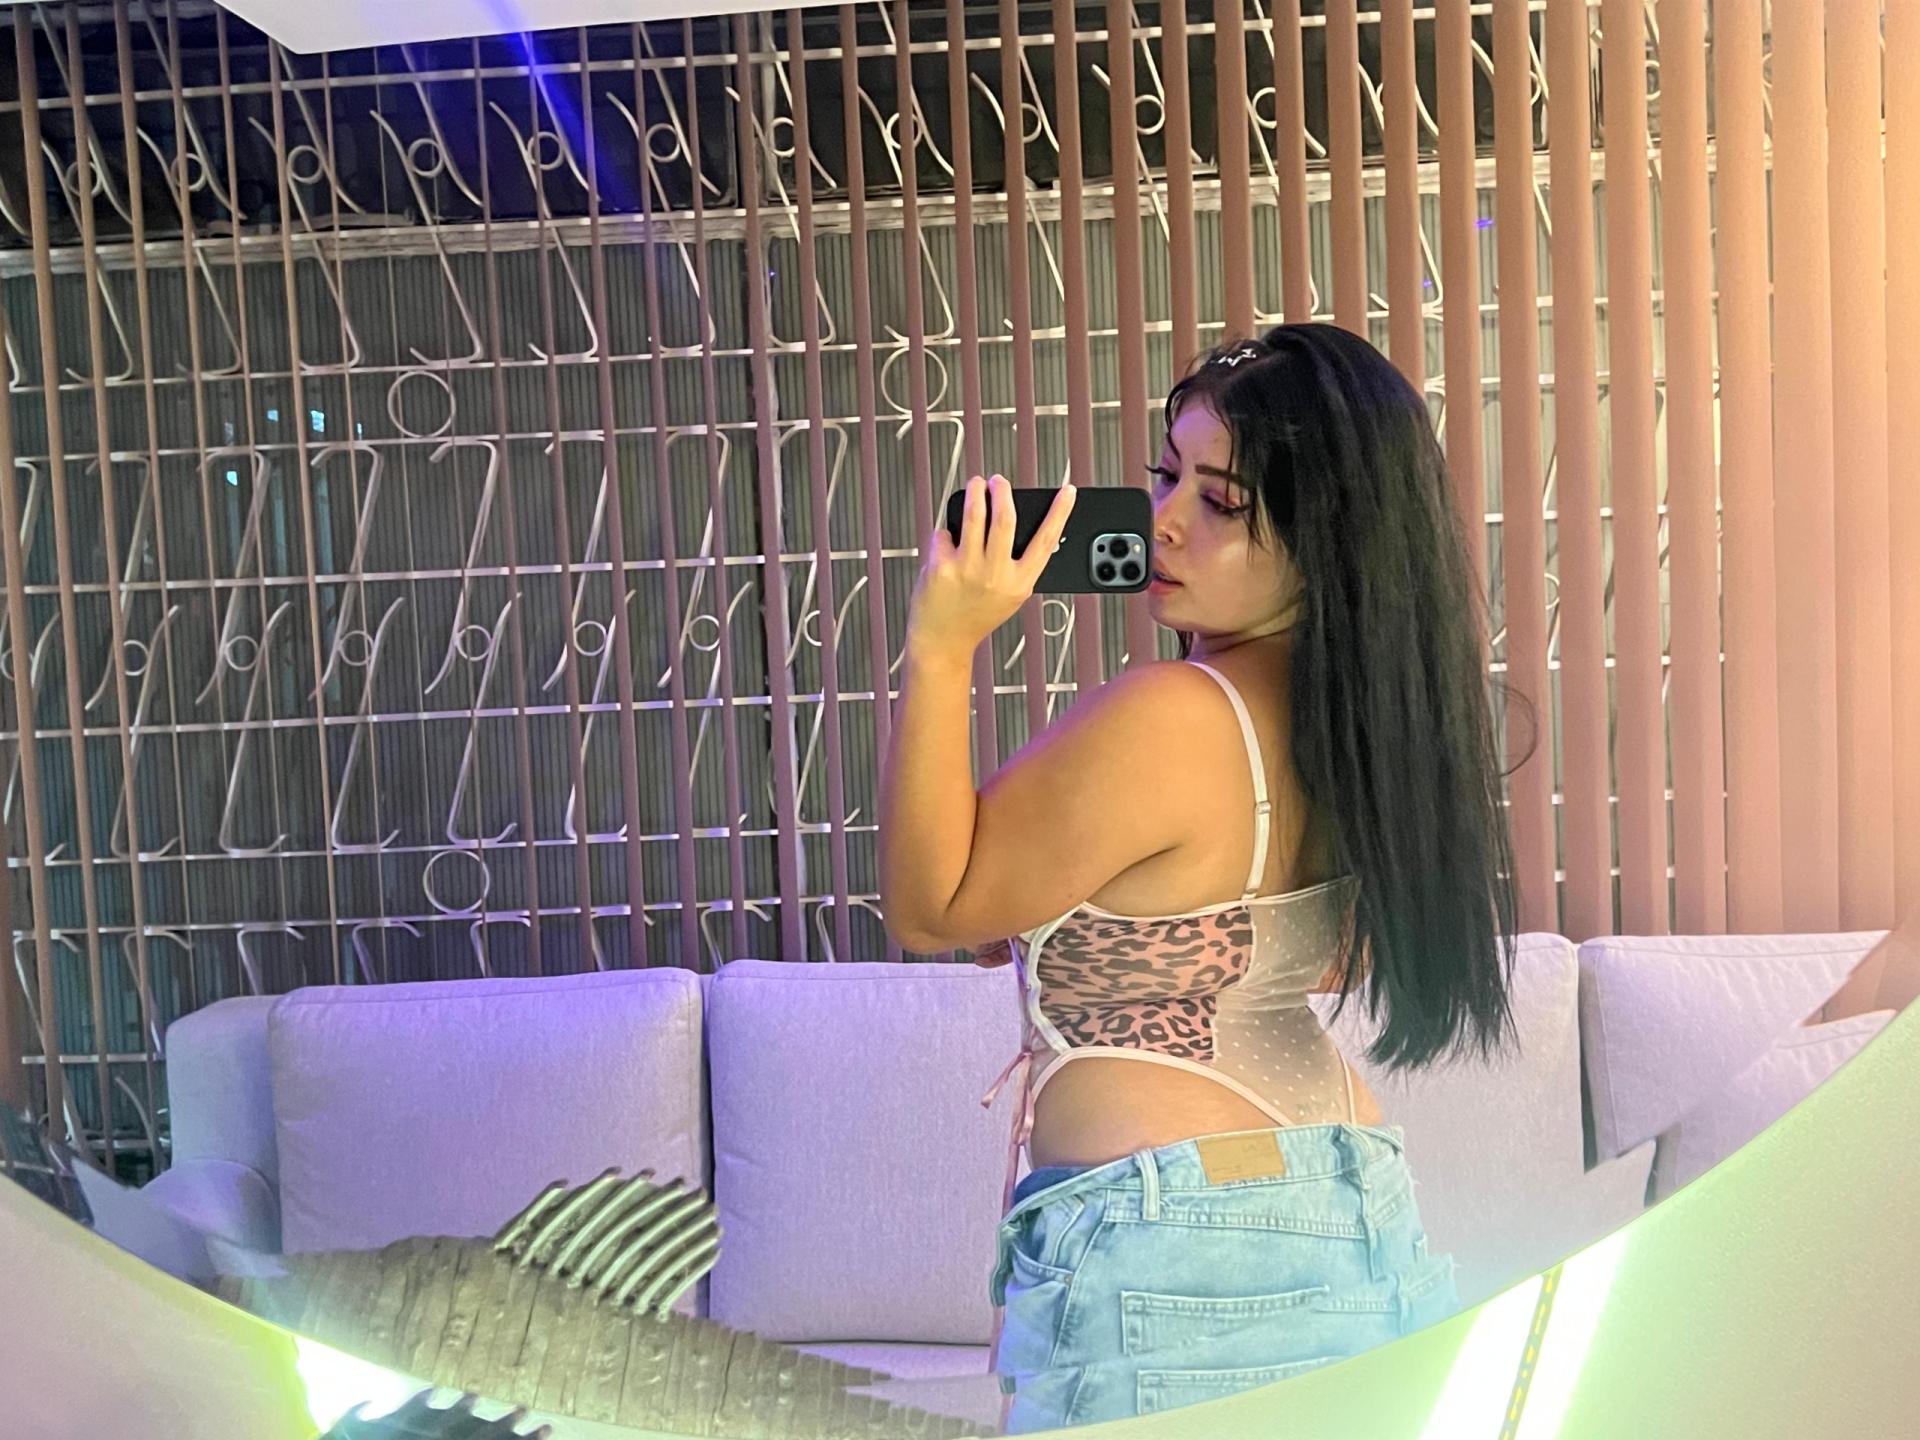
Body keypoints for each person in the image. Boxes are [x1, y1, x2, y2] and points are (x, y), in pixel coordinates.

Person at [878, 323, 1524, 1432]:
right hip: (1358, 1211)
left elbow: (927, 910)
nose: (1165, 522)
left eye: (1221, 502)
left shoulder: (1172, 717)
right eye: (1167, 474)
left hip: (1178, 1244)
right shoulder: (1369, 734)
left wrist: (941, 646)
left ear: (1324, 541)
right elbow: (1278, 955)